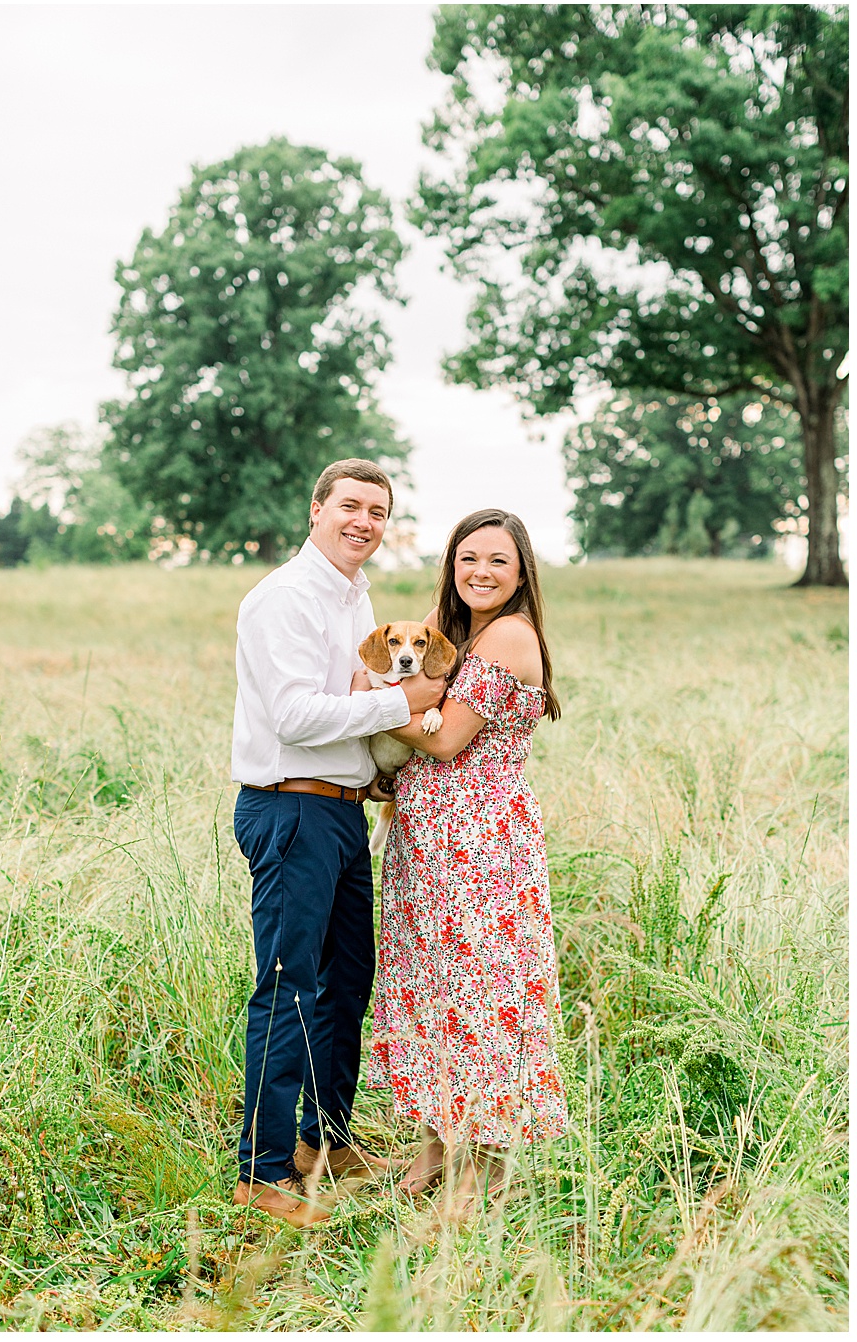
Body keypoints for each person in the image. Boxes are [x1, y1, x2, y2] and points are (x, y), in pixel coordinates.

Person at [230, 459, 448, 1228]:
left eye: (377, 511)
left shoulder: (353, 596)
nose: (364, 521)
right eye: (350, 506)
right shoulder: (286, 598)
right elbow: (294, 717)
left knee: (347, 981)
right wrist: (403, 700)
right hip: (291, 810)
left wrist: (378, 764)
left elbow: (350, 706)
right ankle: (261, 1172)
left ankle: (326, 1141)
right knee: (288, 984)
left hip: (342, 811)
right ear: (317, 508)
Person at [369, 508, 570, 1220]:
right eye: (467, 559)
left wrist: (359, 703)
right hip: (426, 842)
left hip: (480, 844)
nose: (480, 572)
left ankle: (487, 1167)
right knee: (427, 988)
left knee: (485, 995)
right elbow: (411, 673)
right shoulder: (455, 627)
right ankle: (432, 1146)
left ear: (521, 575)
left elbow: (448, 739)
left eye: (497, 562)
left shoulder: (510, 634)